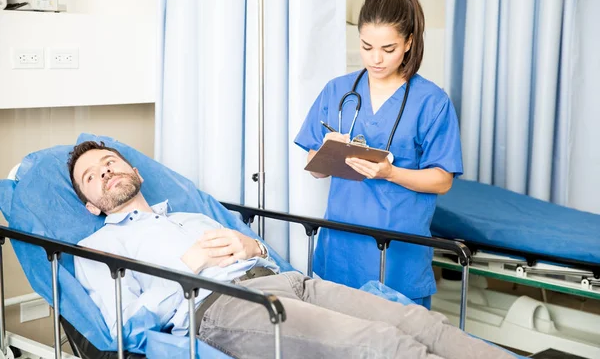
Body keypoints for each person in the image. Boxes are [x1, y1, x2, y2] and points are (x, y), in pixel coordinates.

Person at [67, 141, 508, 359]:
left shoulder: (190, 218)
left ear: (134, 170)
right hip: (221, 306)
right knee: (380, 343)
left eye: (110, 162)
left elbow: (260, 254)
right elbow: (122, 324)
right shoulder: (100, 246)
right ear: (90, 203)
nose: (104, 171)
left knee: (417, 321)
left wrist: (251, 243)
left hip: (286, 283)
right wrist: (190, 265)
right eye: (91, 176)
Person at [295, 0, 463, 308]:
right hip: (340, 251)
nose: (376, 59)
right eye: (366, 46)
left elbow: (442, 180)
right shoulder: (338, 91)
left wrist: (390, 173)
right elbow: (315, 169)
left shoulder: (431, 101)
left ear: (409, 43)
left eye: (388, 49)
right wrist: (327, 154)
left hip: (400, 254)